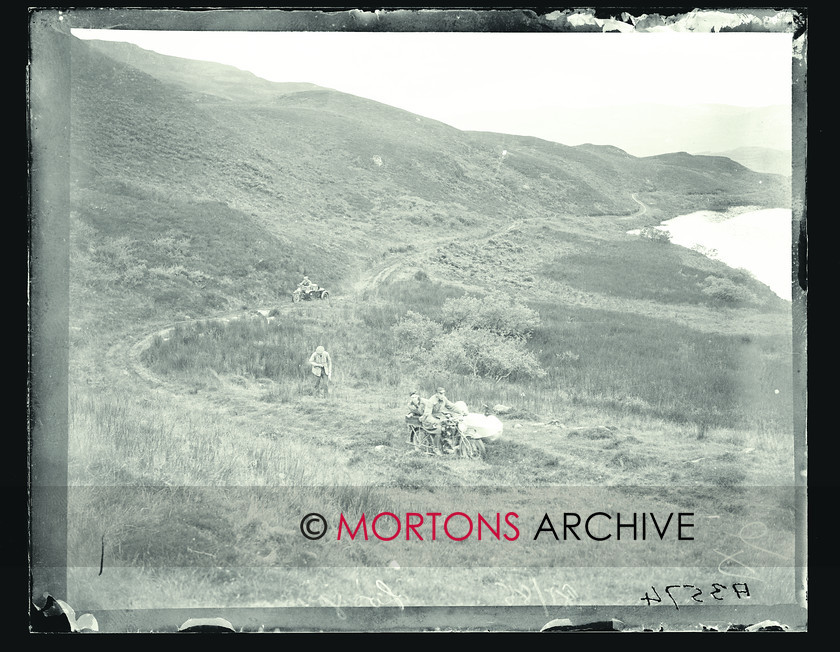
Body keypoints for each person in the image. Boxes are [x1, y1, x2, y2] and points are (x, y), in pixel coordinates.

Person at [421, 387, 466, 455]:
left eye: (443, 393)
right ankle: (435, 448)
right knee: (439, 428)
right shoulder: (431, 401)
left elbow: (451, 406)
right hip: (429, 419)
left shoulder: (444, 399)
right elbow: (427, 414)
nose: (442, 395)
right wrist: (436, 421)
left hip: (438, 416)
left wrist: (461, 412)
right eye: (440, 393)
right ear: (437, 394)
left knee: (451, 424)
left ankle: (448, 443)